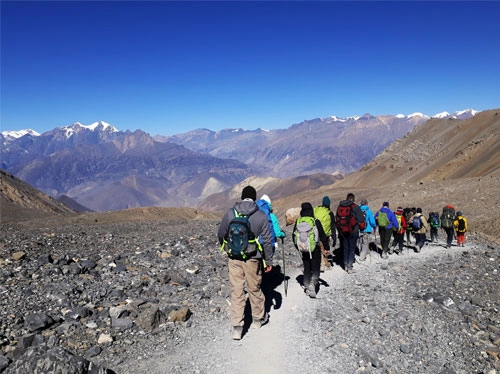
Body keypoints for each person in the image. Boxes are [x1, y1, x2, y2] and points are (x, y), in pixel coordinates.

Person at [217, 186, 274, 340]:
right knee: (254, 288)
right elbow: (268, 240)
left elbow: (221, 233)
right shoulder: (261, 215)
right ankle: (257, 319)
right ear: (254, 198)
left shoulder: (230, 213)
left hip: (234, 258)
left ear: (242, 197)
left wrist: (228, 247)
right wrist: (268, 260)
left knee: (237, 291)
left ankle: (237, 327)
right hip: (253, 258)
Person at [292, 202, 329, 297]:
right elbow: (322, 235)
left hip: (303, 249)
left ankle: (307, 285)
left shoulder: (298, 221)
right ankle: (313, 284)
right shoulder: (315, 221)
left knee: (307, 267)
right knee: (316, 266)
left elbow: (293, 236)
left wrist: (298, 247)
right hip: (315, 248)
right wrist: (326, 247)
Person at [336, 193, 365, 273]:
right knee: (352, 248)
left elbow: (337, 218)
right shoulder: (355, 207)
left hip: (342, 231)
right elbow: (361, 219)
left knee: (345, 247)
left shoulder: (340, 206)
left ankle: (345, 265)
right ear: (353, 199)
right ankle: (350, 267)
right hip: (353, 231)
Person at [314, 196, 336, 270]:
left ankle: (319, 264)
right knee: (325, 249)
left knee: (318, 249)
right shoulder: (330, 213)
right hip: (325, 235)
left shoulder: (316, 210)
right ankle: (325, 264)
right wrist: (334, 237)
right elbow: (333, 226)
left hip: (315, 233)